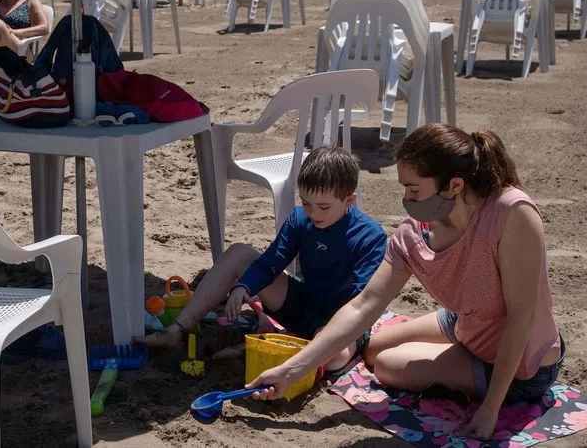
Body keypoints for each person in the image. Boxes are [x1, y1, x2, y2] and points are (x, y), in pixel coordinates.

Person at [248, 125, 562, 441]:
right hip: (467, 321)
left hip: (524, 363)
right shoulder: (414, 235)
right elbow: (363, 305)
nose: (406, 200)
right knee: (370, 351)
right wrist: (292, 371)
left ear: (453, 185)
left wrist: (491, 408)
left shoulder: (511, 213)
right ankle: (456, 359)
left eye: (413, 190)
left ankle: (476, 379)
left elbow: (521, 318)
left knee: (386, 365)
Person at [146, 147, 387, 375]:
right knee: (240, 253)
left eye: (323, 207)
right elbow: (272, 261)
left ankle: (259, 354)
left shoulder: (370, 236)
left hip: (340, 317)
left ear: (349, 201)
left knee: (336, 355)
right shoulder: (301, 219)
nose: (313, 213)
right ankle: (178, 328)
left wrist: (327, 336)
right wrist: (244, 286)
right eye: (306, 203)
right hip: (303, 303)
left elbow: (360, 302)